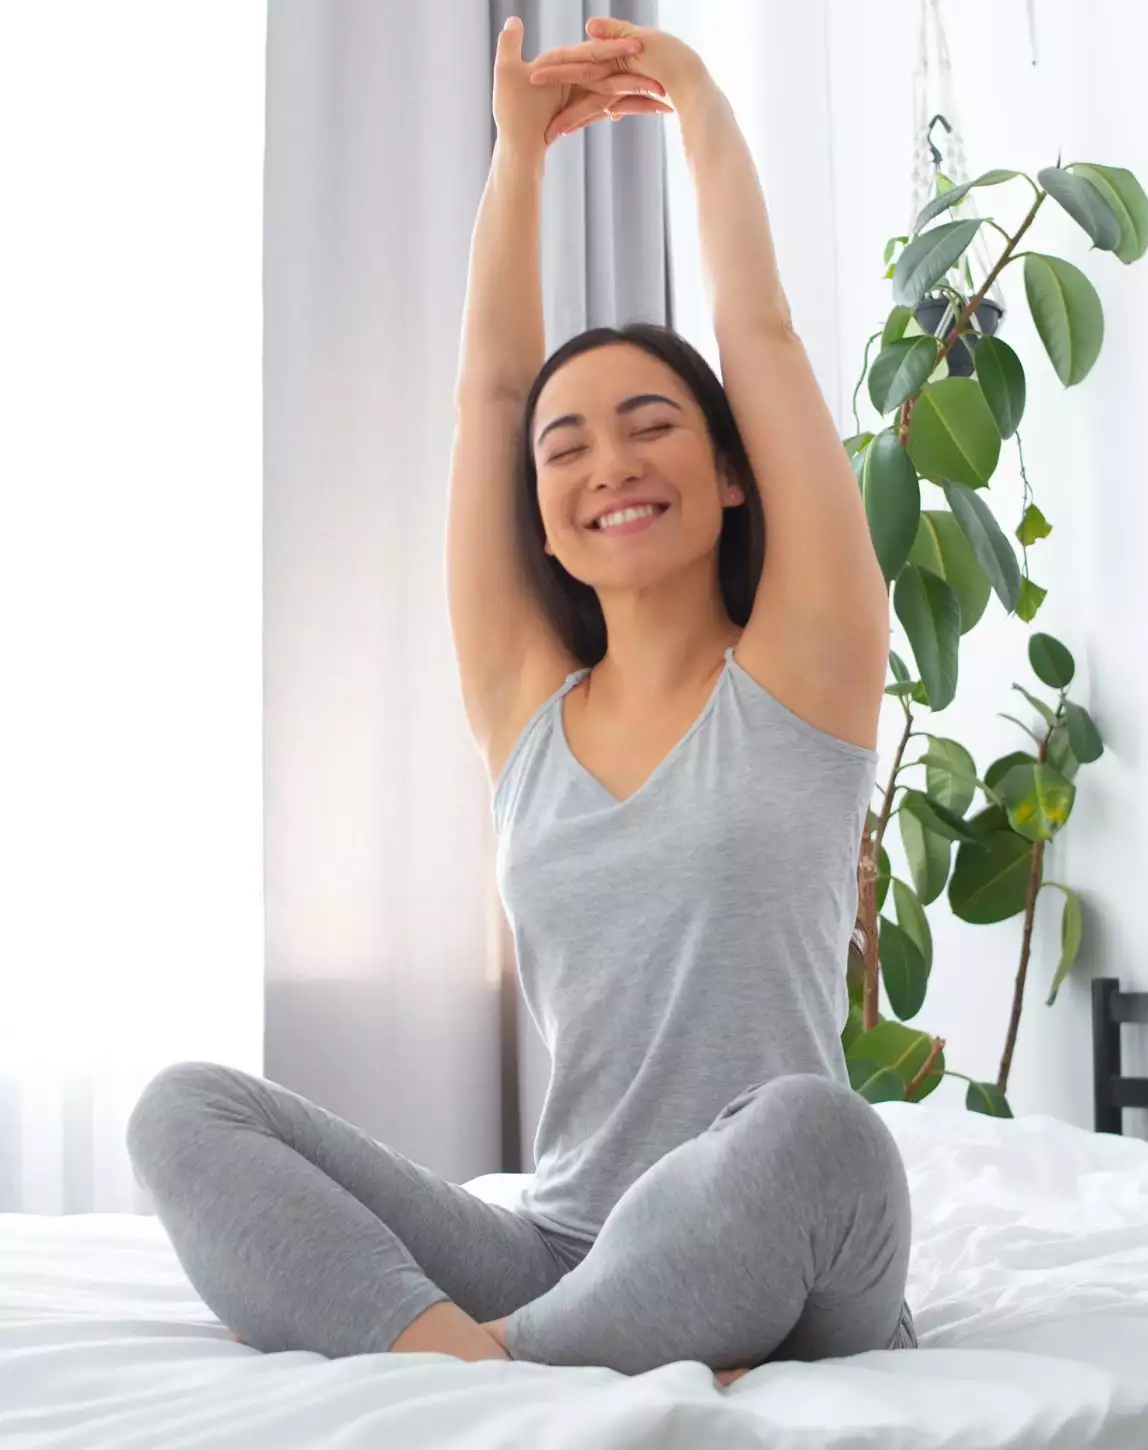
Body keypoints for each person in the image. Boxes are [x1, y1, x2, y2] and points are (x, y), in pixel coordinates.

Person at [125, 15, 914, 1387]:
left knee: (816, 1129)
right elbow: (489, 389)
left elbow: (762, 333)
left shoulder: (802, 667)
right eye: (570, 443)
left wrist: (702, 105)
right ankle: (493, 1364)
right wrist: (518, 160)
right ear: (541, 518)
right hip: (568, 1250)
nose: (610, 458)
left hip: (782, 1257)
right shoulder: (525, 706)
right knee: (180, 1110)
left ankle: (479, 1371)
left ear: (733, 473)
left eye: (654, 420)